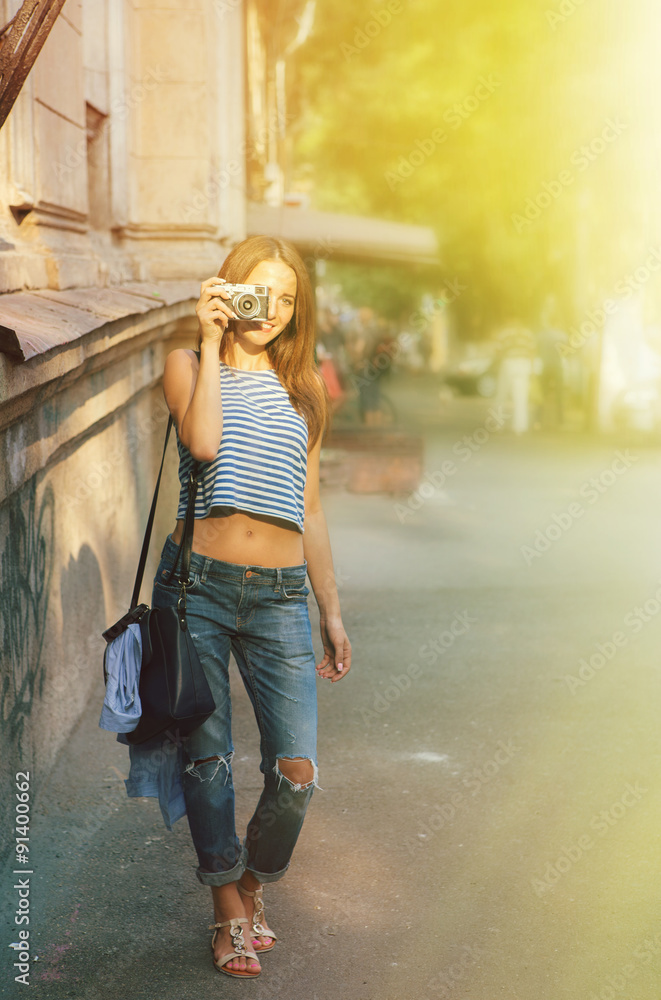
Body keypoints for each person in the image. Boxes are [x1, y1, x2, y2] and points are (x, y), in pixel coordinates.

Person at [152, 235, 352, 979]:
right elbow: (202, 444)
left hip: (279, 597)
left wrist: (330, 611)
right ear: (227, 287)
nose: (269, 309)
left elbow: (311, 508)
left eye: (286, 298)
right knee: (207, 762)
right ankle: (226, 914)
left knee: (296, 770)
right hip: (195, 586)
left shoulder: (304, 393)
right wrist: (206, 337)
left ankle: (250, 882)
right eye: (257, 291)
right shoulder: (187, 366)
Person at [494, 318, 537, 434]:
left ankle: (498, 425)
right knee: (521, 397)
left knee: (501, 394)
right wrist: (532, 370)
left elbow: (498, 351)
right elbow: (532, 352)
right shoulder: (528, 334)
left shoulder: (504, 334)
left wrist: (498, 366)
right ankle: (520, 427)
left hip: (508, 363)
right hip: (524, 364)